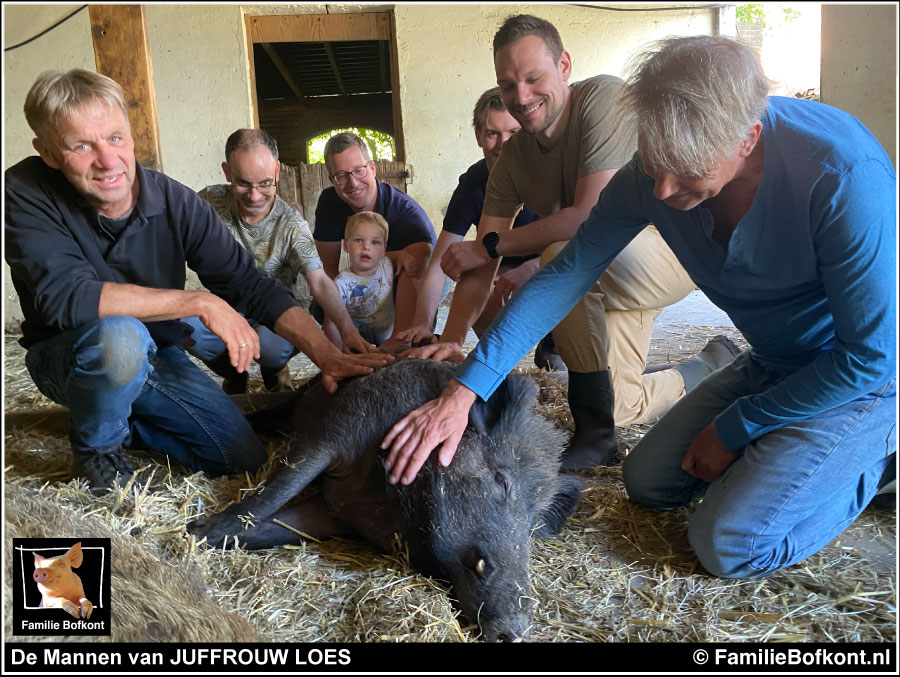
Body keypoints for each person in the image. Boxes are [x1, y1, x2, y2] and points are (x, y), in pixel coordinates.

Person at [382, 35, 896, 580]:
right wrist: (466, 389)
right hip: (771, 358)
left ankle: (876, 454)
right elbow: (566, 274)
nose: (664, 188)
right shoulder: (646, 179)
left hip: (854, 374)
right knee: (648, 482)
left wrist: (741, 425)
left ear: (748, 138)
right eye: (654, 164)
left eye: (687, 170)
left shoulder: (844, 174)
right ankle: (789, 455)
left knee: (729, 545)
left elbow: (872, 355)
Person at [4, 69, 391, 494]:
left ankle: (118, 417)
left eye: (115, 138)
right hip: (71, 353)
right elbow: (65, 298)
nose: (107, 160)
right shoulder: (25, 190)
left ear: (130, 134)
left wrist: (326, 355)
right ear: (49, 153)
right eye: (81, 145)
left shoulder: (175, 200)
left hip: (158, 352)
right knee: (120, 338)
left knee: (240, 458)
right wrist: (202, 303)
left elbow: (250, 283)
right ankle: (97, 450)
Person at [404, 15, 725, 470]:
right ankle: (711, 365)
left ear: (565, 66)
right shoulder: (512, 161)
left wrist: (493, 246)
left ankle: (591, 432)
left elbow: (588, 218)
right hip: (606, 279)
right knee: (622, 404)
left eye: (534, 79)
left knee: (561, 256)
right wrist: (453, 339)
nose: (522, 97)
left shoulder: (603, 99)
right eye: (508, 84)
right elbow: (480, 263)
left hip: (661, 253)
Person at [188, 128, 373, 394]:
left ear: (276, 172)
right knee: (185, 326)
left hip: (273, 316)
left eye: (264, 183)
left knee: (272, 347)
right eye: (242, 183)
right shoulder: (205, 204)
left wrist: (348, 330)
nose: (254, 196)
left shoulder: (292, 225)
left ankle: (275, 370)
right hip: (225, 311)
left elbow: (319, 281)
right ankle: (234, 373)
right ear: (227, 172)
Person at [396, 87, 557, 364]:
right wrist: (423, 323)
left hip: (552, 262)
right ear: (479, 136)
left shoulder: (553, 173)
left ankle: (555, 344)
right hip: (502, 266)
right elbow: (439, 263)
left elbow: (583, 239)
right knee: (480, 273)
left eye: (514, 134)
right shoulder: (473, 183)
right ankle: (497, 355)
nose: (503, 144)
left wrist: (535, 267)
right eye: (493, 133)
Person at [313, 132, 437, 340]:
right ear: (331, 179)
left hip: (413, 280)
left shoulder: (407, 214)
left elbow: (414, 271)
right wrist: (346, 331)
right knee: (321, 305)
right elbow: (328, 269)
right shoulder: (329, 203)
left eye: (359, 171)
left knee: (407, 318)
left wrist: (397, 342)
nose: (353, 183)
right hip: (367, 279)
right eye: (341, 176)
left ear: (372, 168)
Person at [324, 211, 398, 347]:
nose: (366, 247)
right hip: (358, 338)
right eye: (358, 240)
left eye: (375, 242)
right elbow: (331, 323)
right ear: (345, 246)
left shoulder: (386, 264)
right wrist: (339, 353)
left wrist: (405, 256)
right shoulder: (341, 284)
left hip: (387, 336)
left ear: (383, 250)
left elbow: (400, 257)